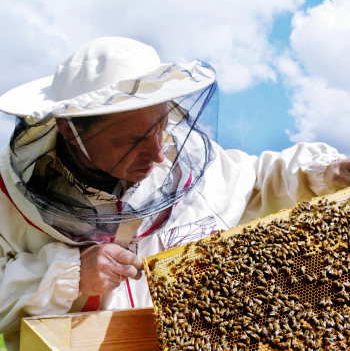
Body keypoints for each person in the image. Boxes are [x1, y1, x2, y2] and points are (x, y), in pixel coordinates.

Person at [0, 37, 349, 351]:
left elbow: (258, 179)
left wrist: (326, 173)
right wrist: (71, 274)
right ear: (71, 130)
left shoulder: (190, 163)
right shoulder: (7, 203)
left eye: (161, 127)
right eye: (133, 140)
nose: (158, 154)